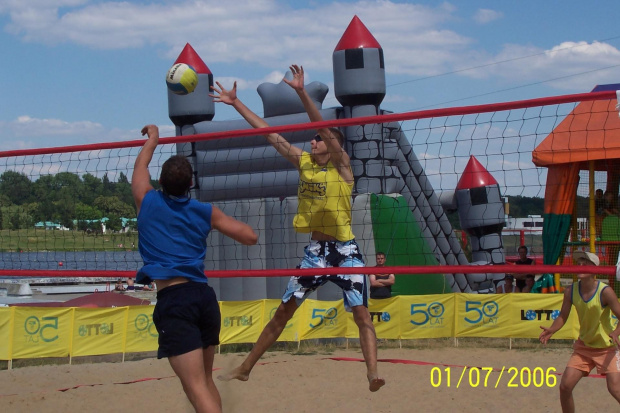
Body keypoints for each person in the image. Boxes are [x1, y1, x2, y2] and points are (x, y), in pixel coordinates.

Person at [210, 65, 385, 392]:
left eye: (318, 138)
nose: (312, 140)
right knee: (282, 314)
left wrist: (302, 92)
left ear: (331, 144)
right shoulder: (304, 162)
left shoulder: (343, 168)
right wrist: (236, 104)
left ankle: (373, 373)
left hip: (346, 251)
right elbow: (267, 133)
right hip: (316, 253)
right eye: (315, 138)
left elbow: (320, 125)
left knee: (362, 315)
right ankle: (246, 367)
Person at [132, 124, 258, 413]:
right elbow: (251, 236)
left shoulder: (146, 200)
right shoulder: (205, 211)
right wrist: (214, 222)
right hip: (203, 299)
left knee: (197, 387)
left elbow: (140, 168)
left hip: (176, 302)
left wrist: (153, 139)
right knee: (204, 382)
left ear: (160, 181)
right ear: (190, 185)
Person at [539, 251, 620, 412]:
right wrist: (552, 330)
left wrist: (616, 332)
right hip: (584, 347)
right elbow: (563, 315)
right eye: (579, 262)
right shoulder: (571, 291)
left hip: (607, 347)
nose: (580, 266)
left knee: (615, 389)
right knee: (565, 386)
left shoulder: (605, 292)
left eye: (585, 263)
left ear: (595, 269)